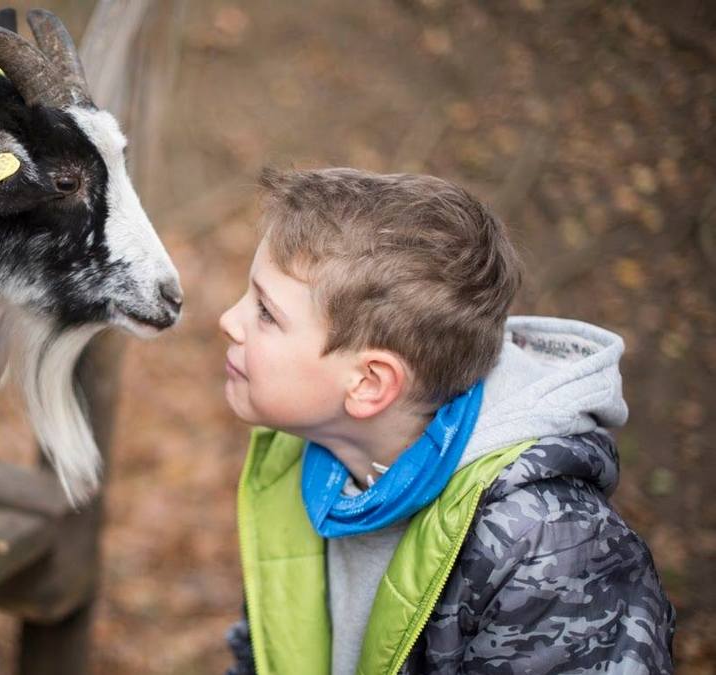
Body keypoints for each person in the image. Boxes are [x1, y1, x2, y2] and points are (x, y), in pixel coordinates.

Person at [219, 167, 675, 674]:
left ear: (369, 384)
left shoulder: (549, 553)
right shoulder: (292, 468)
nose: (228, 320)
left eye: (265, 312)